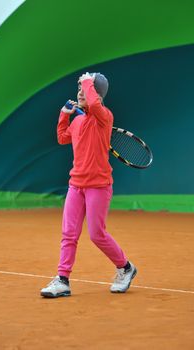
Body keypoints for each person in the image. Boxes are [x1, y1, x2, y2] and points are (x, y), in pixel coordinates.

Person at [40, 72, 137, 298]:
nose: (82, 92)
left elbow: (93, 102)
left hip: (99, 186)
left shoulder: (105, 116)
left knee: (96, 234)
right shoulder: (79, 120)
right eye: (80, 88)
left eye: (87, 88)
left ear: (98, 93)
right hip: (76, 185)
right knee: (69, 234)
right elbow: (63, 137)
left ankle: (126, 268)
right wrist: (64, 115)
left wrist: (88, 80)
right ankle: (62, 280)